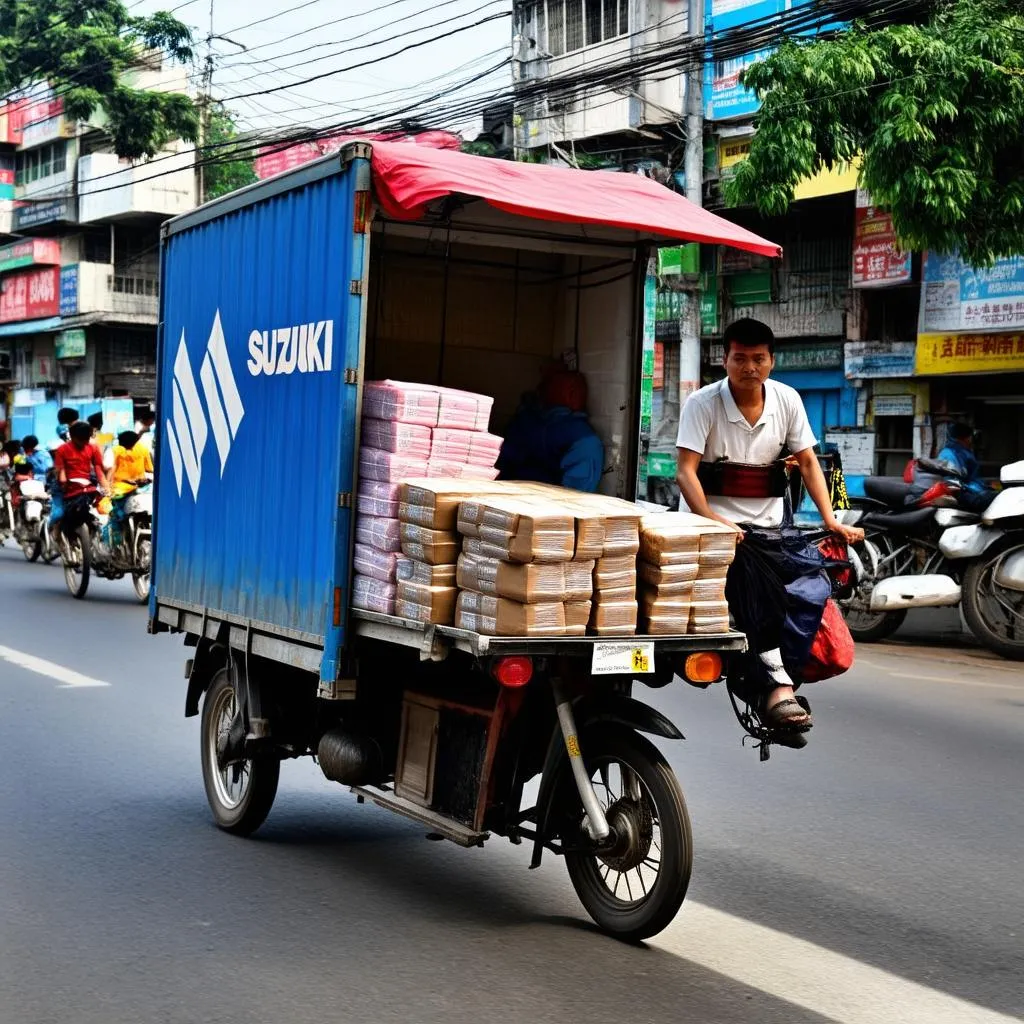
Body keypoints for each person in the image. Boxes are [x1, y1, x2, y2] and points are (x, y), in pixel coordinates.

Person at [676, 318, 863, 735]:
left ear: (771, 361)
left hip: (772, 529)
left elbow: (810, 462)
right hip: (717, 531)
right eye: (740, 359)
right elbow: (686, 472)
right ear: (725, 359)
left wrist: (831, 519)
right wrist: (711, 519)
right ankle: (775, 689)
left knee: (814, 587)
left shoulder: (788, 400)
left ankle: (782, 683)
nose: (749, 368)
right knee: (760, 595)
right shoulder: (702, 404)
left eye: (758, 359)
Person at [497, 368, 604, 492]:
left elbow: (574, 494)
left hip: (539, 503)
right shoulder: (528, 419)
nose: (542, 389)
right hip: (504, 492)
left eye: (549, 383)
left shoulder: (583, 439)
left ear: (572, 393)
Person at [51, 421, 109, 539]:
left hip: (84, 485)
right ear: (72, 437)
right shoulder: (62, 450)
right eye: (81, 439)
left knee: (98, 510)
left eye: (87, 438)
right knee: (58, 514)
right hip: (64, 486)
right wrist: (63, 484)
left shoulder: (92, 448)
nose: (85, 442)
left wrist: (105, 486)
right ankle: (54, 530)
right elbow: (60, 472)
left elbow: (98, 468)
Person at [934, 422, 995, 513]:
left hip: (967, 489)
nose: (971, 440)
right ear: (965, 438)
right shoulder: (952, 454)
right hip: (961, 492)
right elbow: (953, 482)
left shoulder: (958, 451)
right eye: (970, 437)